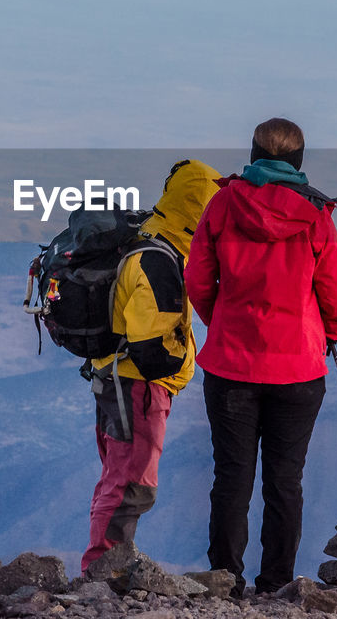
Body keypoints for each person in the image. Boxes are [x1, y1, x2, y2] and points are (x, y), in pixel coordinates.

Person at [184, 117, 337, 596]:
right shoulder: (315, 215)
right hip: (298, 367)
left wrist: (223, 322)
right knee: (286, 480)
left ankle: (224, 579)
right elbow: (334, 286)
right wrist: (333, 332)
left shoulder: (222, 204)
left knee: (231, 475)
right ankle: (277, 581)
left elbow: (198, 278)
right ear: (298, 161)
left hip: (232, 364)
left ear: (254, 153)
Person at [80, 158, 222, 573]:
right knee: (132, 482)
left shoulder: (152, 239)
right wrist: (182, 361)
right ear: (202, 207)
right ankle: (104, 568)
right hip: (138, 385)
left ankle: (105, 562)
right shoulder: (162, 259)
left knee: (117, 476)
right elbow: (149, 345)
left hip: (114, 377)